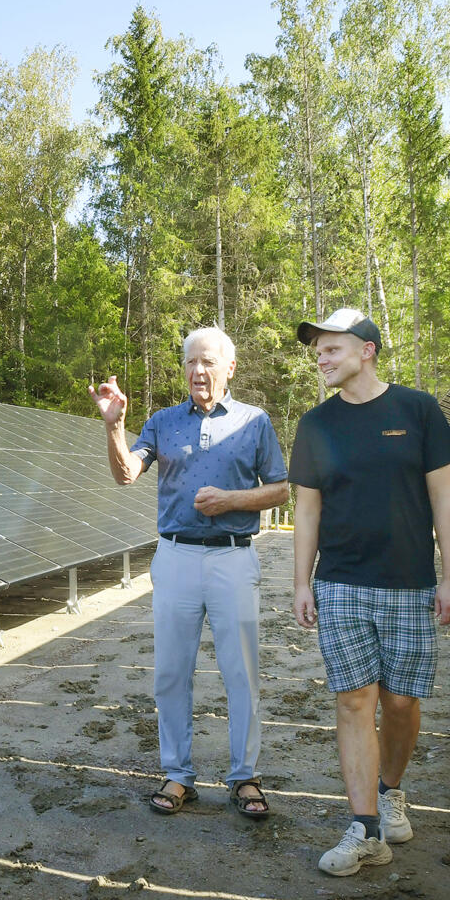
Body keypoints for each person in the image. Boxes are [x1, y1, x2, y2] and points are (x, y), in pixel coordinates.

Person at [287, 309, 450, 875]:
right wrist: (300, 583)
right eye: (317, 350)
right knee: (353, 701)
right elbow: (306, 509)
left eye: (332, 348)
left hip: (408, 584)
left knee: (400, 703)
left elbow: (445, 499)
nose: (321, 357)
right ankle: (365, 828)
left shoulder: (418, 410)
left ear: (367, 350)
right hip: (340, 585)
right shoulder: (315, 425)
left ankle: (391, 790)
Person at [91, 328, 290, 819]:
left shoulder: (254, 422)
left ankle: (244, 776)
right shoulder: (162, 422)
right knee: (171, 672)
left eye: (207, 362)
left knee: (241, 672)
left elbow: (282, 489)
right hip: (175, 556)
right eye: (190, 363)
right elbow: (125, 474)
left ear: (230, 368)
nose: (198, 372)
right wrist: (114, 426)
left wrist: (231, 501)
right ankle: (178, 774)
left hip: (233, 556)